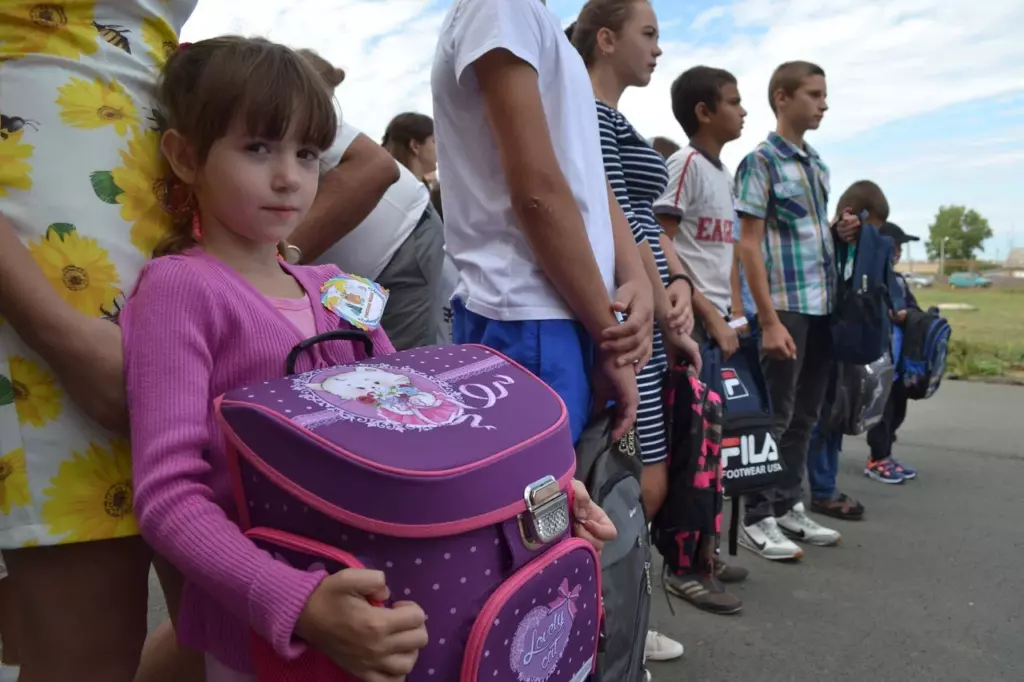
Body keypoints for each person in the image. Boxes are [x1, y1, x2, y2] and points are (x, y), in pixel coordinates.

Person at [122, 36, 615, 681]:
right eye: (258, 148)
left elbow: (430, 435)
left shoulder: (337, 289)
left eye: (307, 153)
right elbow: (168, 496)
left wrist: (541, 494)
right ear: (186, 157)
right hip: (267, 639)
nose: (289, 177)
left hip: (391, 603)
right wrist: (298, 604)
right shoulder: (178, 289)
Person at [0, 1, 205, 679]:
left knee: (221, 635)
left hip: (176, 272)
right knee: (88, 652)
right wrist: (59, 334)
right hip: (39, 285)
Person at [431, 0, 655, 449]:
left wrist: (635, 277)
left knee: (570, 488)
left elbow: (588, 173)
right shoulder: (501, 7)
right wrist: (609, 338)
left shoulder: (534, 20)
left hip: (567, 309)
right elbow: (537, 191)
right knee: (542, 489)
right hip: (531, 312)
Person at [570, 0, 700, 659]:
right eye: (648, 33)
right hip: (628, 312)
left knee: (632, 478)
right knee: (631, 481)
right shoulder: (589, 114)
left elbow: (646, 224)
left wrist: (678, 284)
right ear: (605, 37)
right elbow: (620, 221)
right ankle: (606, 621)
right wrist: (662, 305)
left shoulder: (612, 116)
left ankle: (617, 614)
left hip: (646, 300)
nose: (657, 47)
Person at [734, 61, 861, 561]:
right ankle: (756, 516)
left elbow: (805, 236)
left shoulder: (818, 166)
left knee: (806, 414)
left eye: (824, 95)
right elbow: (748, 244)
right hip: (784, 308)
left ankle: (788, 505)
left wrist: (837, 233)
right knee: (775, 416)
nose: (823, 104)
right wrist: (767, 320)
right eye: (813, 94)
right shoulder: (760, 162)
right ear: (782, 98)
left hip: (821, 307)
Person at [652, 64, 750, 606]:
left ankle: (706, 550)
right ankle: (681, 564)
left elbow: (722, 254)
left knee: (714, 449)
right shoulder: (684, 164)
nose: (743, 110)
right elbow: (662, 243)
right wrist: (707, 315)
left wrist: (733, 314)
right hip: (691, 330)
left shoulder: (724, 173)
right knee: (691, 450)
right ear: (704, 112)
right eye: (734, 101)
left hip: (718, 329)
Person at [301, 52, 444, 351]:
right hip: (364, 276)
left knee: (399, 370)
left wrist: (278, 258)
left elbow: (376, 167)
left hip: (400, 249)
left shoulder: (283, 101)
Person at [805, 180, 892, 521]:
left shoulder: (848, 247)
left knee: (834, 414)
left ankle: (824, 484)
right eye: (872, 228)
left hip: (837, 342)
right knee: (817, 417)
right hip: (820, 337)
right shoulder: (829, 243)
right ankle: (818, 490)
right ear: (851, 215)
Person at [865, 221, 920, 483]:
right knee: (882, 413)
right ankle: (877, 459)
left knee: (898, 411)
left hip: (900, 363)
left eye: (900, 248)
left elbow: (914, 310)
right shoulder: (869, 279)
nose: (898, 252)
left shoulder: (898, 280)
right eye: (895, 247)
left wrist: (908, 315)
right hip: (881, 361)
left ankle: (886, 454)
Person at [382, 113, 437, 184]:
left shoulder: (385, 185)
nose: (439, 149)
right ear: (415, 146)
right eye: (434, 141)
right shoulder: (411, 188)